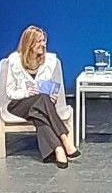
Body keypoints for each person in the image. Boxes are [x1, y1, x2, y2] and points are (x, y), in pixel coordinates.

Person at [4, 25, 79, 168]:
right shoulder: (14, 61)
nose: (43, 44)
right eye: (39, 41)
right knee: (42, 101)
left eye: (44, 41)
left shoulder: (49, 61)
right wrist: (27, 93)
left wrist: (53, 97)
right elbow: (9, 92)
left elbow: (49, 87)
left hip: (41, 105)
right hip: (19, 104)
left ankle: (58, 149)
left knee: (39, 112)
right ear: (29, 43)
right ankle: (64, 138)